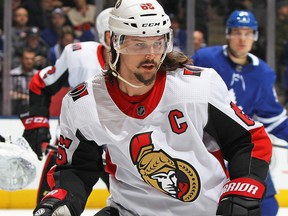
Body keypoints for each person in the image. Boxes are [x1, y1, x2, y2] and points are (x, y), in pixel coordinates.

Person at [33, 1, 272, 216]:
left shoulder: (197, 87)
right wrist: (61, 202)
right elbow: (77, 167)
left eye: (158, 42)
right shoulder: (84, 103)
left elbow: (250, 139)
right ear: (116, 43)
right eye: (139, 44)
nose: (151, 54)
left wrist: (242, 190)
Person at [192, 10, 288, 216]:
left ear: (255, 37)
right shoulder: (205, 58)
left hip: (242, 147)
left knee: (268, 205)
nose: (242, 39)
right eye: (237, 32)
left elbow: (273, 117)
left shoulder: (263, 72)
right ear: (227, 34)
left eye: (248, 33)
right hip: (207, 148)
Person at [19, 7, 112, 204]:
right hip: (74, 145)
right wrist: (37, 123)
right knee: (52, 206)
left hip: (122, 151)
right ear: (107, 36)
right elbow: (40, 84)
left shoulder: (149, 64)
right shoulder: (78, 55)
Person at [10, 48, 38, 115]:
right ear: (21, 59)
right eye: (27, 59)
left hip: (35, 108)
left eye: (32, 59)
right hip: (16, 109)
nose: (29, 61)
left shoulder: (39, 75)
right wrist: (26, 97)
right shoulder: (13, 74)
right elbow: (9, 93)